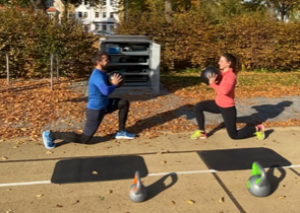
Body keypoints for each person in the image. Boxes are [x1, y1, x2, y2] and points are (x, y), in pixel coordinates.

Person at [42, 51, 136, 149]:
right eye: (106, 60)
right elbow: (105, 91)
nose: (108, 61)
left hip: (105, 105)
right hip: (95, 111)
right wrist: (114, 84)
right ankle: (50, 135)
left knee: (123, 103)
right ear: (99, 62)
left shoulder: (103, 73)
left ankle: (121, 132)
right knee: (84, 139)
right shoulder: (97, 75)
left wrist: (113, 82)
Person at [190, 53, 265, 140]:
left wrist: (212, 84)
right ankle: (202, 132)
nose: (219, 63)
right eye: (219, 61)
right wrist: (205, 73)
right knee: (198, 107)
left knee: (234, 135)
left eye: (221, 61)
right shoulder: (221, 73)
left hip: (227, 108)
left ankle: (258, 128)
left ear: (228, 63)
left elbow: (225, 91)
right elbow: (214, 81)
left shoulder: (231, 76)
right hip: (218, 104)